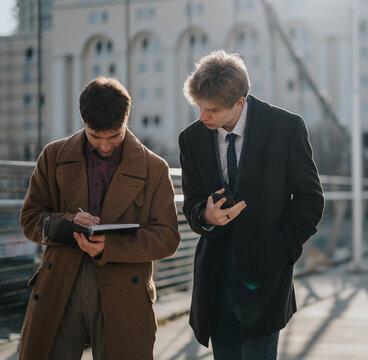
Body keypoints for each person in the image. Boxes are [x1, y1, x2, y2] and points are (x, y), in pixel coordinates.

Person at [18, 76, 181, 360]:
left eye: (114, 137)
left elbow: (167, 238)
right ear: (83, 120)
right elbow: (30, 219)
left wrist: (111, 247)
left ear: (126, 121)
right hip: (60, 283)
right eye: (96, 137)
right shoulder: (53, 156)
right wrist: (68, 221)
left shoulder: (154, 168)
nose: (105, 146)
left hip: (123, 285)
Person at [179, 50, 324, 359]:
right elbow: (190, 202)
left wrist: (282, 250)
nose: (203, 116)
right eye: (199, 107)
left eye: (212, 110)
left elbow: (310, 200)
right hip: (214, 281)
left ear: (239, 102)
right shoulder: (190, 139)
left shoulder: (287, 127)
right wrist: (205, 214)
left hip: (266, 278)